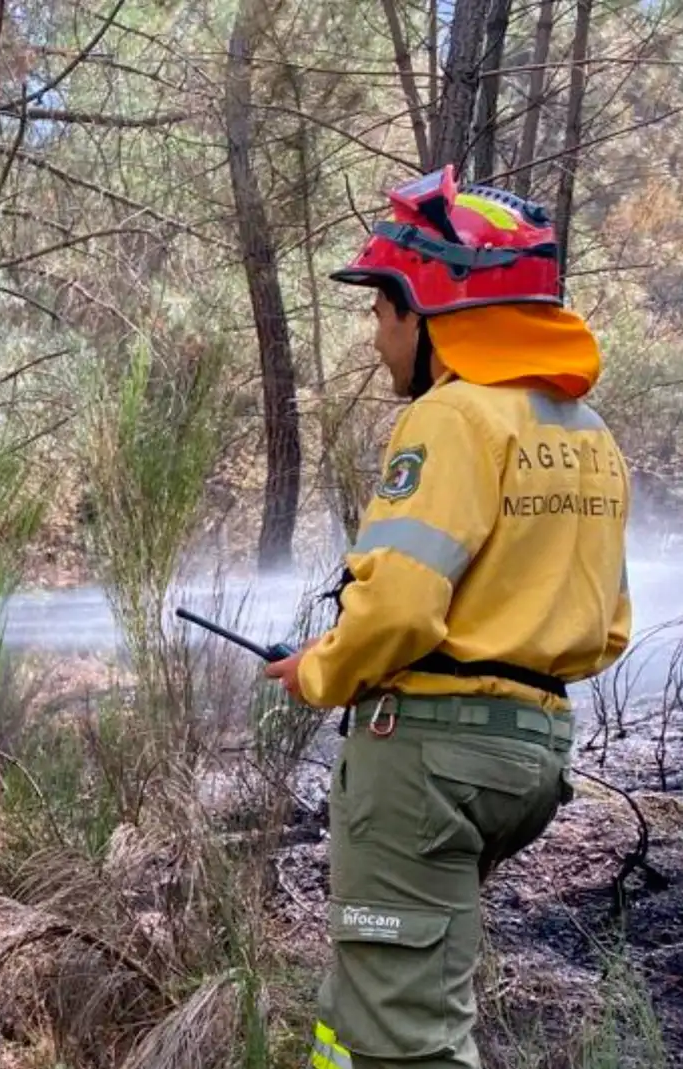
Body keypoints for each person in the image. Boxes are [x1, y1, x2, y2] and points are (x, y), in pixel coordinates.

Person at [265, 166, 632, 1069]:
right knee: (397, 994)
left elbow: (399, 605)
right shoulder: (587, 435)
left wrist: (319, 671)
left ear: (428, 311)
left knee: (405, 1039)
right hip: (530, 754)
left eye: (381, 312)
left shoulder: (453, 416)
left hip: (428, 759)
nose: (375, 338)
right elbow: (609, 625)